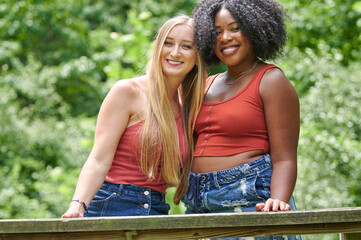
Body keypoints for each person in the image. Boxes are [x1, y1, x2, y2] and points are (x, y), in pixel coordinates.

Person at [61, 15, 206, 218]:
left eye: (186, 46)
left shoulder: (189, 107)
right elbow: (98, 159)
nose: (175, 53)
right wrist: (78, 205)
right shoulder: (128, 91)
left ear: (198, 55)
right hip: (112, 204)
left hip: (156, 209)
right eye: (168, 43)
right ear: (158, 48)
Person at [181, 0, 301, 239]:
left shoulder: (270, 80)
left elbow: (284, 157)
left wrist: (277, 201)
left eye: (235, 28)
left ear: (255, 29)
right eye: (216, 32)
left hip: (250, 198)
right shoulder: (205, 85)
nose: (225, 37)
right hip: (198, 203)